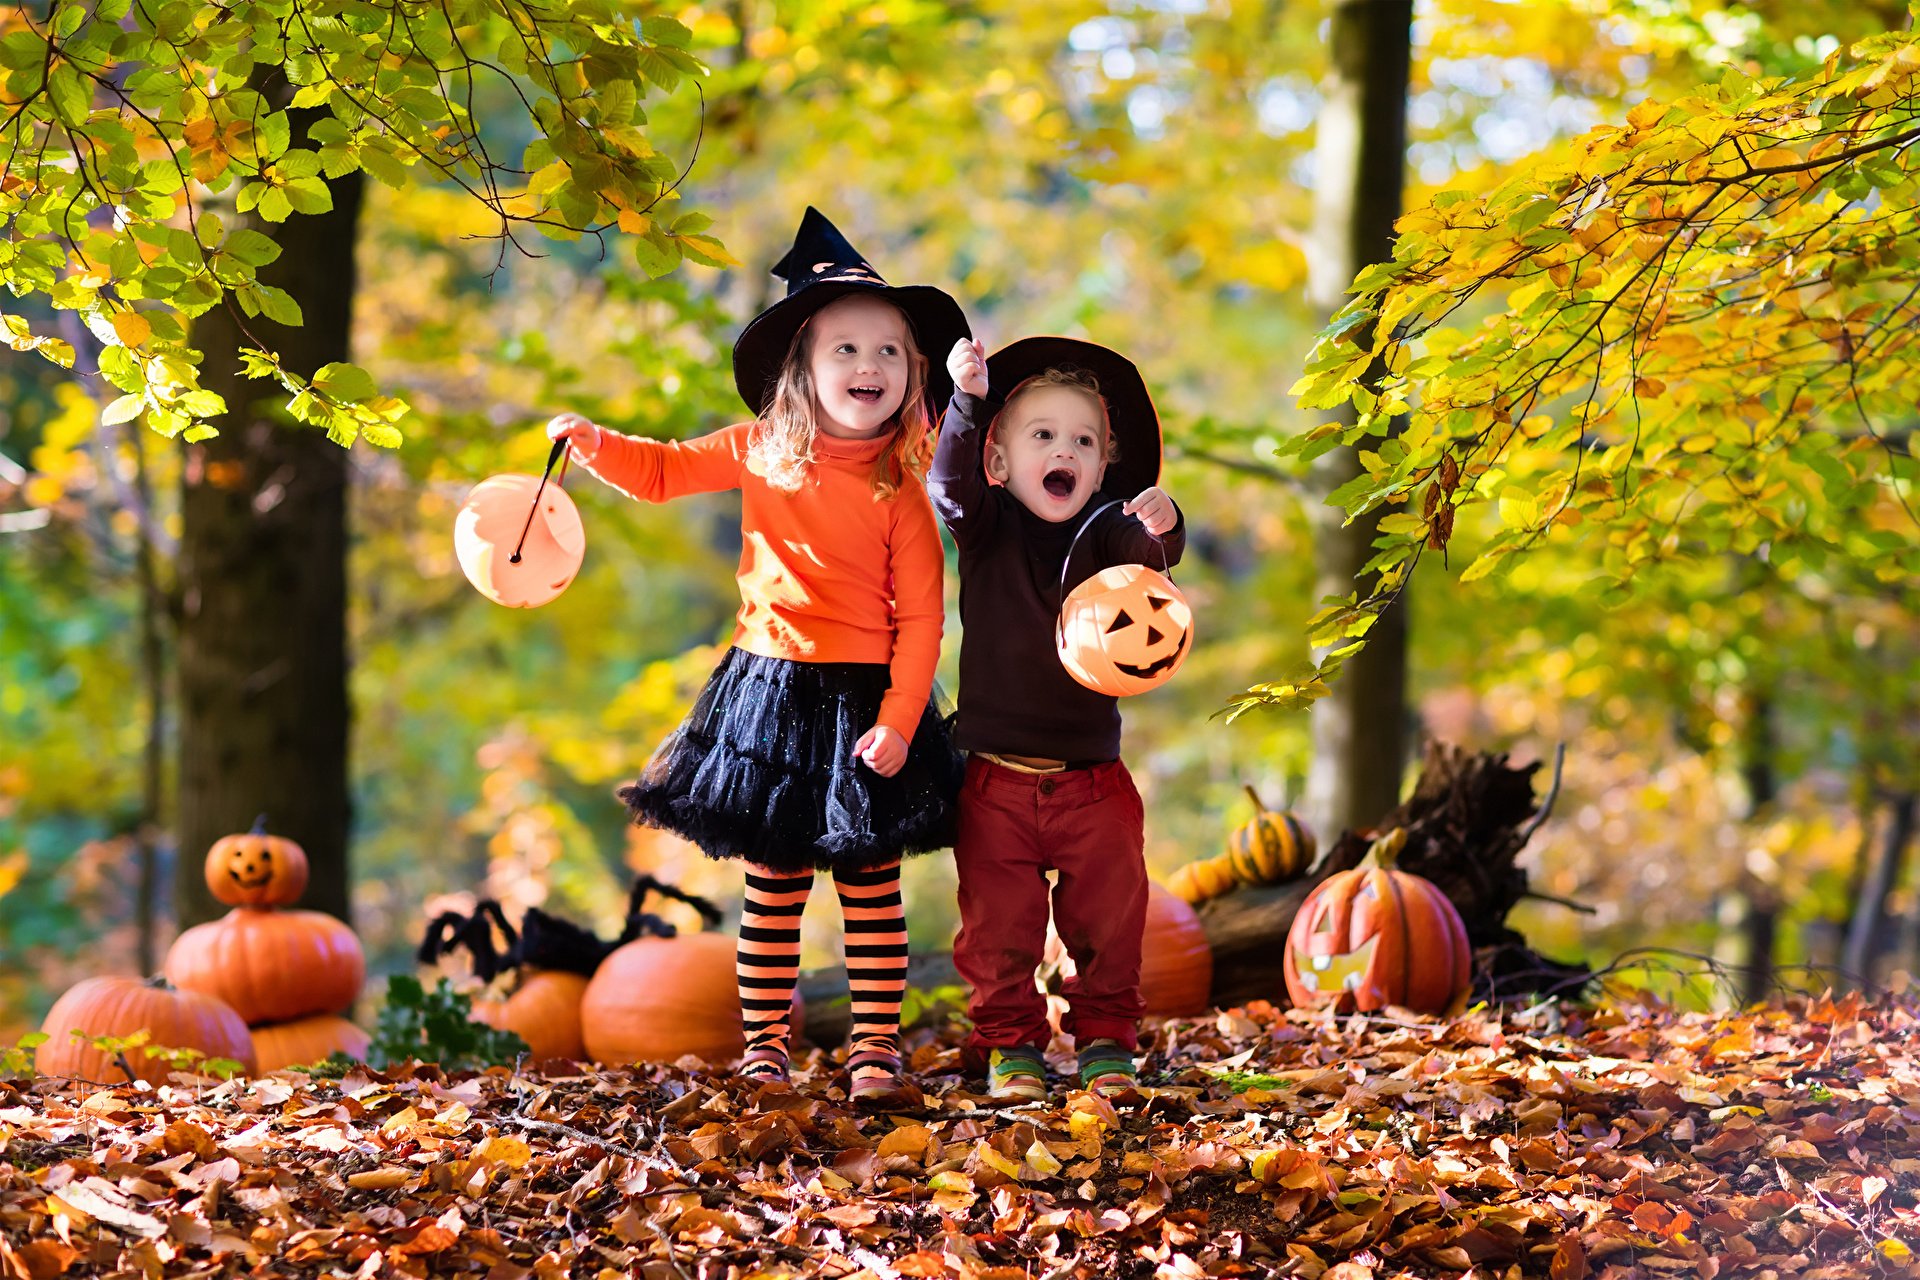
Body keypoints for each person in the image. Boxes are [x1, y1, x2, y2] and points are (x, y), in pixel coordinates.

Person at [545, 208, 969, 1101]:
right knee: (775, 885)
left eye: (888, 352)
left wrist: (899, 723)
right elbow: (659, 472)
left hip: (866, 697)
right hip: (768, 690)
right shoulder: (760, 453)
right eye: (845, 349)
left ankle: (872, 1050)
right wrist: (589, 443)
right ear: (802, 368)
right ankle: (767, 1045)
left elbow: (925, 619)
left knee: (868, 883)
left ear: (913, 373)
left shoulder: (901, 485)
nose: (868, 367)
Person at [929, 335, 1186, 1101]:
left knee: (1109, 923)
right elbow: (949, 483)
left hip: (1092, 784)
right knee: (996, 932)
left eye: (1082, 440)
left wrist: (1165, 523)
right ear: (1001, 462)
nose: (1063, 449)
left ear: (1105, 466)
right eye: (1042, 435)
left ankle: (1107, 1039)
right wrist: (968, 404)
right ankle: (1010, 1046)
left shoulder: (1104, 533)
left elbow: (1152, 557)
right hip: (994, 785)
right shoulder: (986, 526)